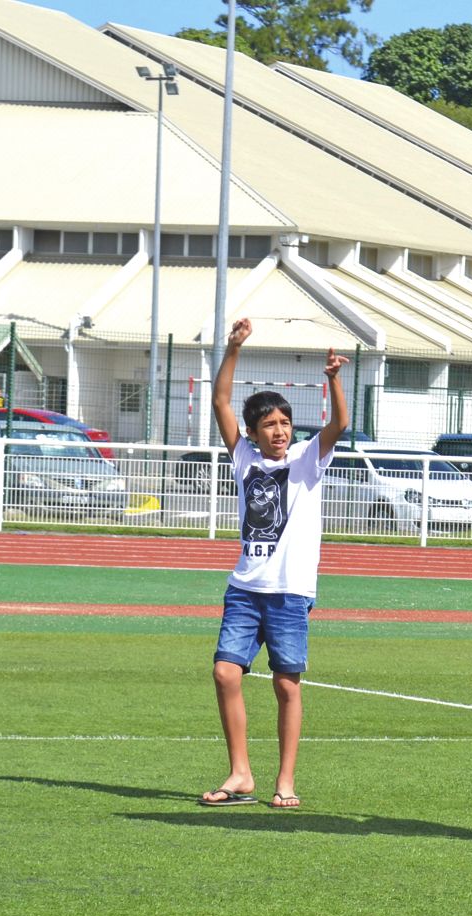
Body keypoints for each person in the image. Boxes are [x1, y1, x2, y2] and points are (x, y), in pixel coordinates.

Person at [200, 319, 349, 809]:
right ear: (253, 432)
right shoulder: (243, 458)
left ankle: (285, 780)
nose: (280, 431)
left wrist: (332, 380)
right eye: (270, 424)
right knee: (225, 673)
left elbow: (339, 426)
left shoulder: (308, 458)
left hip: (289, 590)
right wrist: (234, 348)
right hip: (245, 586)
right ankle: (241, 773)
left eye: (284, 422)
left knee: (287, 683)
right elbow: (221, 401)